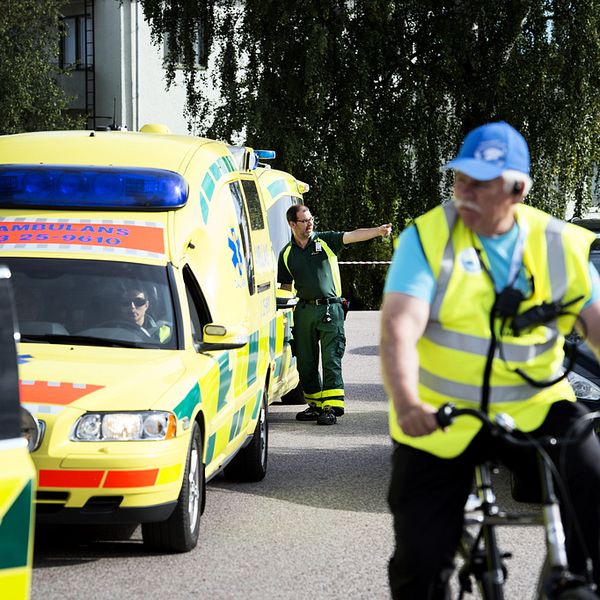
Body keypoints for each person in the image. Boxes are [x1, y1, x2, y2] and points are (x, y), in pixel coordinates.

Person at [380, 121, 600, 598]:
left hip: (537, 406)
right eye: (461, 178)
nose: (465, 191)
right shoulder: (426, 238)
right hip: (440, 416)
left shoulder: (557, 243)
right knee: (419, 560)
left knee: (593, 473)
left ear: (518, 188)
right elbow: (399, 325)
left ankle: (576, 580)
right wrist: (407, 401)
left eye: (481, 182)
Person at [278, 204, 392, 425]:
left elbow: (353, 236)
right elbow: (284, 287)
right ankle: (315, 404)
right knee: (305, 362)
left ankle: (331, 407)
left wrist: (377, 231)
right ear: (292, 224)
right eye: (304, 220)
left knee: (331, 359)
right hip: (303, 311)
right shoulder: (287, 254)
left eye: (311, 218)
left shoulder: (325, 241)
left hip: (331, 309)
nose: (310, 223)